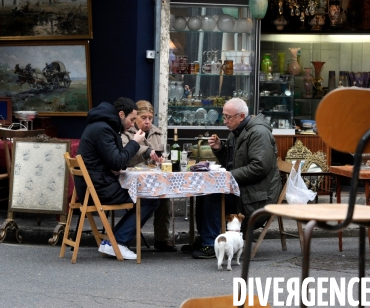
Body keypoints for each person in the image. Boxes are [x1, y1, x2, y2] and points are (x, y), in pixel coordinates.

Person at [183, 97, 281, 259]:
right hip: (245, 190)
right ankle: (207, 238)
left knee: (212, 193)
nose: (225, 121)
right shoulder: (236, 133)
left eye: (228, 117)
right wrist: (220, 149)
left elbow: (259, 167)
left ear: (241, 116)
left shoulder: (258, 133)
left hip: (257, 197)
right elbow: (232, 162)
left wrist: (227, 177)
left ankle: (210, 244)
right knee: (204, 190)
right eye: (224, 116)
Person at [75, 97, 160, 260]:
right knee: (150, 197)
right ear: (121, 114)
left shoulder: (101, 126)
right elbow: (117, 162)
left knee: (148, 195)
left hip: (94, 185)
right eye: (132, 119)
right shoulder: (103, 129)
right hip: (98, 189)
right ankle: (117, 242)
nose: (133, 124)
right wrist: (135, 142)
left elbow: (117, 162)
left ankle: (114, 241)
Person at [121, 100, 177, 252]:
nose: (147, 122)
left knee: (164, 195)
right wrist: (145, 151)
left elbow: (162, 154)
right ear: (135, 117)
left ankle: (162, 238)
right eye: (143, 118)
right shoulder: (126, 132)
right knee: (149, 200)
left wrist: (161, 160)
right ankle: (123, 237)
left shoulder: (156, 132)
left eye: (150, 118)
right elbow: (126, 153)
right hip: (132, 179)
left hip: (153, 177)